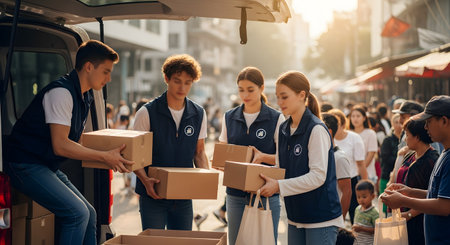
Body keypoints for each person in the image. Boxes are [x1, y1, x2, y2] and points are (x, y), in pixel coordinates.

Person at [4, 40, 133, 245]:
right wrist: (104, 157)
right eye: (106, 72)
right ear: (89, 67)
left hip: (45, 165)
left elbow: (76, 139)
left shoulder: (84, 95)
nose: (109, 78)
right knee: (76, 214)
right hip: (25, 163)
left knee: (89, 213)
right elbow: (61, 145)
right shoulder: (62, 93)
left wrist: (111, 152)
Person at [260, 71, 343, 245]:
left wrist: (278, 186)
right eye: (277, 97)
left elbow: (318, 176)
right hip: (295, 216)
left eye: (284, 97)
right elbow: (282, 169)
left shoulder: (316, 129)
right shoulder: (283, 128)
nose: (279, 102)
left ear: (301, 95)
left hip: (321, 219)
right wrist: (257, 178)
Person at [132, 54, 209, 231]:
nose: (182, 87)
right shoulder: (146, 112)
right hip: (152, 195)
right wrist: (145, 181)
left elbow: (199, 152)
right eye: (177, 81)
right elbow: (134, 154)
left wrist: (205, 177)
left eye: (188, 82)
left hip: (183, 196)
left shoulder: (199, 114)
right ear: (166, 78)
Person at [218, 67, 285, 245]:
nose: (245, 95)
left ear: (261, 88)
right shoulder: (229, 117)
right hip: (235, 194)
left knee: (266, 242)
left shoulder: (276, 118)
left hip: (265, 193)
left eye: (250, 90)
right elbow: (223, 150)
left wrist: (263, 157)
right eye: (241, 90)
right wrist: (219, 163)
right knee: (236, 242)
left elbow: (284, 159)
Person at [381, 95, 450, 245]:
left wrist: (404, 200)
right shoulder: (445, 153)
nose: (425, 127)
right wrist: (410, 191)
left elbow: (445, 206)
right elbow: (436, 195)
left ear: (444, 121)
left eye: (429, 122)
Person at [399, 118, 439, 245]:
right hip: (407, 219)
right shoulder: (410, 155)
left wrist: (410, 214)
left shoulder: (432, 161)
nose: (405, 139)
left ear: (417, 137)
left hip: (422, 222)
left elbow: (433, 196)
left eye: (406, 134)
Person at [329, 108, 367, 224]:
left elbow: (361, 164)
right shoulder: (327, 139)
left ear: (343, 124)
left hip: (352, 181)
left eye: (338, 124)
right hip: (333, 182)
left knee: (355, 218)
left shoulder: (354, 138)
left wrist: (366, 186)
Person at [322, 113, 352, 219]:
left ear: (328, 132)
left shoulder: (339, 158)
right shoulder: (318, 155)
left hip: (332, 218)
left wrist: (340, 219)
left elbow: (347, 192)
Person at [349, 106, 379, 187]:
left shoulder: (370, 133)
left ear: (364, 118)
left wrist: (360, 170)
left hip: (368, 174)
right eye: (353, 116)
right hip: (350, 175)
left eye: (358, 116)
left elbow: (371, 154)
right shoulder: (348, 133)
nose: (355, 119)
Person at [379, 114, 401, 196]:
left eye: (400, 122)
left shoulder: (406, 139)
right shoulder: (388, 140)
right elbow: (385, 158)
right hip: (387, 176)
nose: (399, 125)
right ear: (392, 124)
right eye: (396, 122)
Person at [352, 180, 378, 245]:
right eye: (358, 197)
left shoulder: (375, 213)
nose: (361, 200)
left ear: (373, 196)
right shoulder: (357, 209)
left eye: (364, 197)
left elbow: (378, 230)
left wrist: (362, 229)